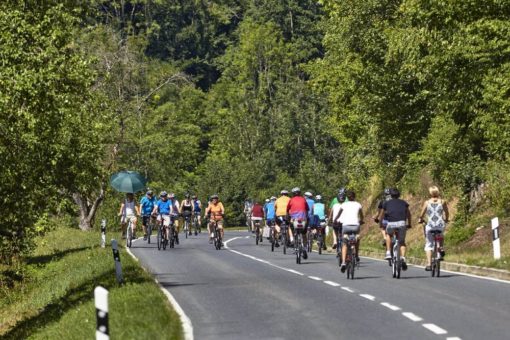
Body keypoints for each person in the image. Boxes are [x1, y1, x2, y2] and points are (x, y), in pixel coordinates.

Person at [379, 188, 412, 270]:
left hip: (391, 224)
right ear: (399, 195)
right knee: (402, 242)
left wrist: (380, 224)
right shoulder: (404, 203)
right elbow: (409, 214)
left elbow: (381, 216)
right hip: (402, 223)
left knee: (388, 235)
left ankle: (388, 253)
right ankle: (403, 258)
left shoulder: (386, 203)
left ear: (391, 195)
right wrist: (409, 224)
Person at [419, 186, 449, 271]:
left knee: (429, 244)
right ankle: (441, 248)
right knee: (441, 235)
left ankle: (429, 264)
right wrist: (446, 219)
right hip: (440, 224)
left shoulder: (427, 202)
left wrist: (420, 219)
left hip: (430, 225)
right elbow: (447, 212)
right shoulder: (442, 202)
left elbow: (422, 214)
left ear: (430, 193)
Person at [333, 190, 364, 272]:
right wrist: (362, 220)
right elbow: (361, 215)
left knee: (344, 244)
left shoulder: (344, 204)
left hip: (346, 226)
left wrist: (335, 220)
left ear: (347, 197)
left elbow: (339, 214)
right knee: (357, 238)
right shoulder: (358, 204)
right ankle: (356, 255)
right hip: (355, 226)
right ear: (354, 197)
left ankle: (343, 262)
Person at [287, 187, 309, 259]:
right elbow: (307, 209)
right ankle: (305, 248)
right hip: (303, 219)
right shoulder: (303, 199)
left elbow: (287, 209)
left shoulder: (291, 200)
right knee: (304, 234)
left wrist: (288, 215)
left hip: (294, 220)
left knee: (291, 227)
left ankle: (292, 239)